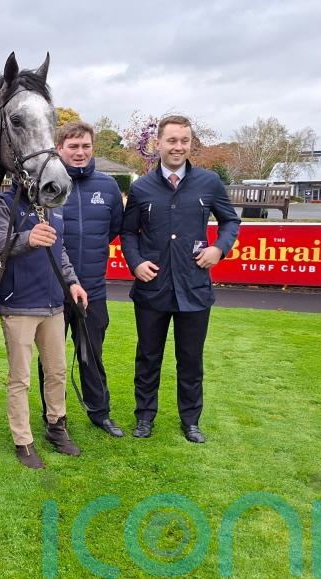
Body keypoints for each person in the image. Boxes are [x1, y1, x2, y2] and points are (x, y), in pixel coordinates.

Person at [122, 115, 240, 444]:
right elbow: (128, 233)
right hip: (152, 288)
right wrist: (135, 263)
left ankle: (191, 420)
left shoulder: (209, 182)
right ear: (157, 144)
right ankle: (144, 417)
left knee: (190, 359)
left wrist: (219, 248)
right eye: (172, 140)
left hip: (194, 288)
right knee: (148, 357)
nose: (178, 147)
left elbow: (231, 222)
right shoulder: (141, 187)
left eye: (184, 141)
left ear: (190, 144)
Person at [0, 186, 88, 469]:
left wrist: (72, 282)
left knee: (56, 371)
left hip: (54, 303)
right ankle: (23, 440)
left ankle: (57, 427)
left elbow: (60, 250)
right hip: (18, 304)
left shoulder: (54, 202)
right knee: (21, 378)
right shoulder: (5, 201)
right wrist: (27, 238)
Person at [37, 121, 125, 438]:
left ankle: (100, 413)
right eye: (73, 146)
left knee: (92, 355)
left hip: (93, 290)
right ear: (60, 148)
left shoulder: (108, 187)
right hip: (53, 290)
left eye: (85, 146)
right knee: (51, 360)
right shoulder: (45, 184)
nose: (80, 152)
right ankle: (53, 416)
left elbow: (113, 229)